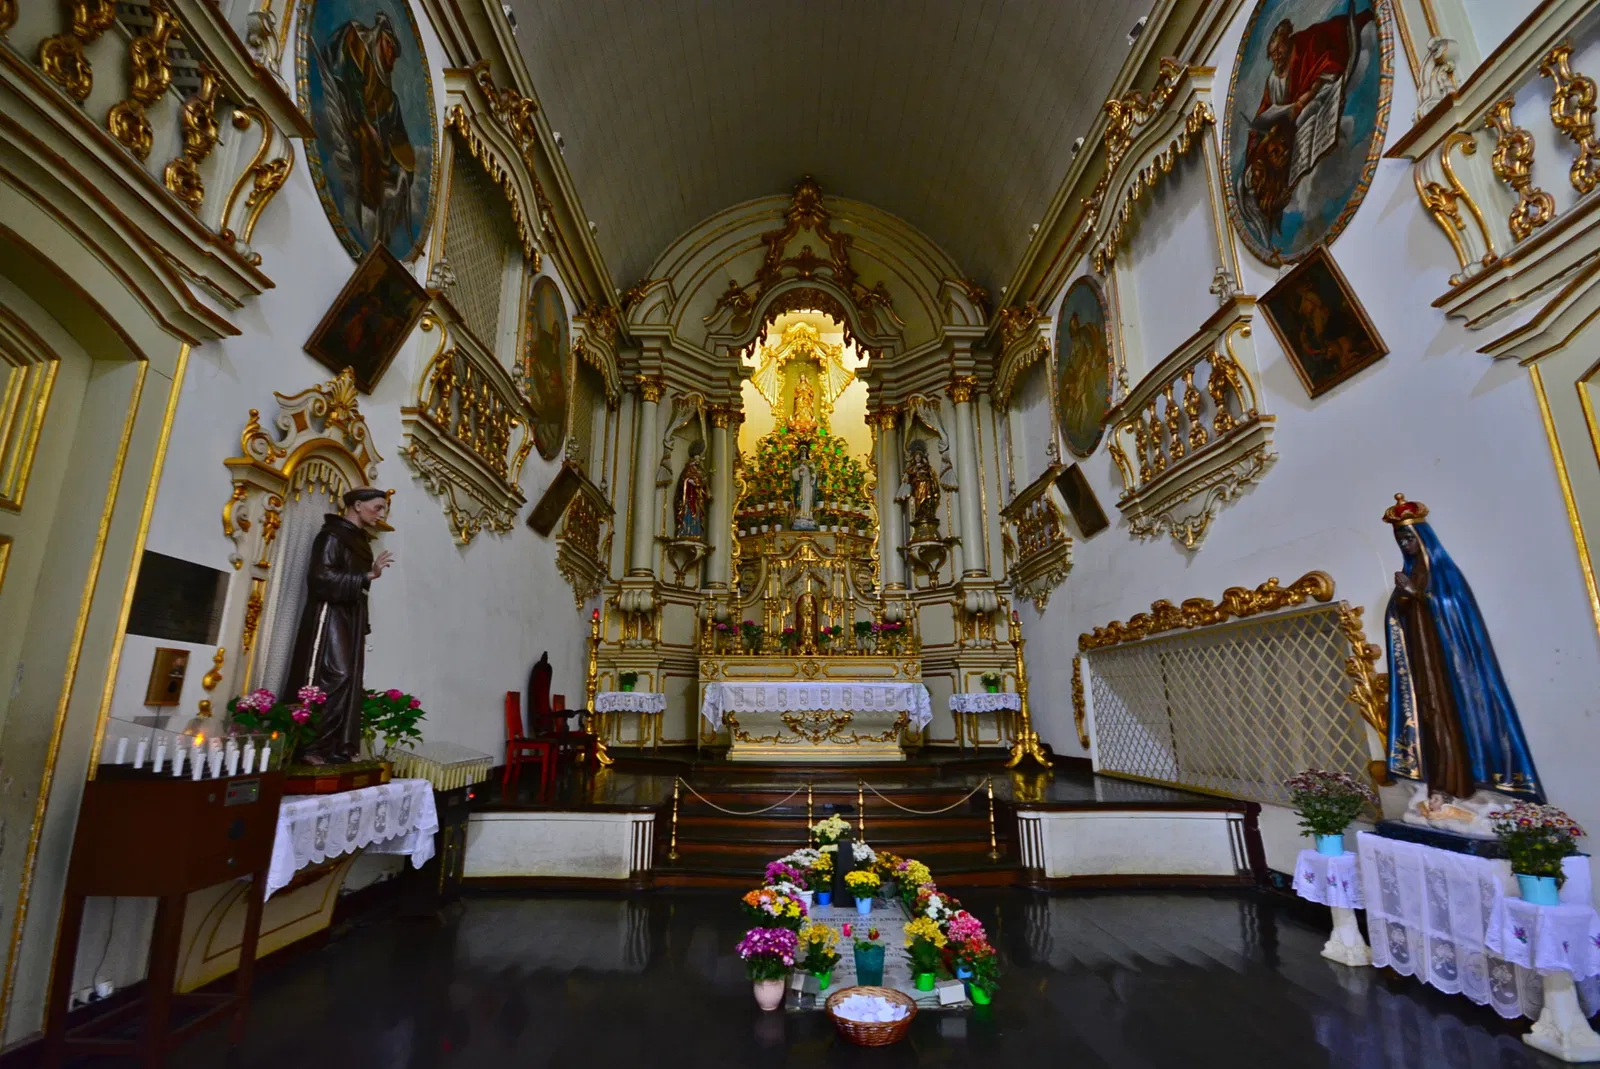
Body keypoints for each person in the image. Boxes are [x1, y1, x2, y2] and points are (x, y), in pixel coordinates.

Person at [1383, 495, 1543, 805]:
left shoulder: (1445, 576)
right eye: (1400, 540)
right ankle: (1439, 784)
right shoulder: (1410, 573)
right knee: (1428, 718)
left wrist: (1417, 595)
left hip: (1449, 666)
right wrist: (1402, 598)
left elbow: (1452, 610)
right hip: (1421, 662)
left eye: (1409, 538)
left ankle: (1464, 784)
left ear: (1422, 538)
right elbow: (1399, 616)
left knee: (1452, 718)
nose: (1405, 545)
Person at [1237, 1, 1377, 242]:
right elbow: (1264, 114)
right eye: (1272, 55)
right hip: (1288, 126)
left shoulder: (1307, 43)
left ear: (1287, 39)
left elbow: (1327, 62)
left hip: (1317, 94)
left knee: (1309, 114)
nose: (1277, 57)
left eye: (1279, 50)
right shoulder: (1273, 80)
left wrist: (1306, 97)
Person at [285, 487, 394, 765]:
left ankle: (336, 746)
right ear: (357, 505)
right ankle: (311, 746)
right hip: (329, 613)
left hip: (351, 615)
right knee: (336, 674)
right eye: (378, 507)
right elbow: (320, 578)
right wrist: (366, 575)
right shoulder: (332, 535)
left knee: (351, 677)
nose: (381, 514)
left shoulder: (361, 541)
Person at [674, 440, 709, 537]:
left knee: (696, 515)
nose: (697, 461)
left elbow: (701, 483)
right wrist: (695, 482)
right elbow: (686, 480)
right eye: (696, 459)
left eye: (698, 459)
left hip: (696, 498)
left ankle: (694, 532)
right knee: (688, 512)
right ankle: (686, 531)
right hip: (688, 498)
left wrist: (702, 483)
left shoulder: (698, 472)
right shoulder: (687, 470)